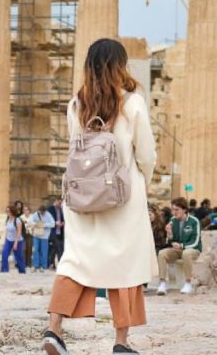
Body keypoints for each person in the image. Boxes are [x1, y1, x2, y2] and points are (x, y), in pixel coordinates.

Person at [44, 39, 157, 355]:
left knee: (75, 263)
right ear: (120, 66)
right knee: (126, 267)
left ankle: (54, 330)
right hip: (122, 196)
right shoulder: (132, 104)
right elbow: (146, 154)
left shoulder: (75, 106)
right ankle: (121, 341)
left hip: (81, 198)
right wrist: (141, 182)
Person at [156, 197, 202, 296]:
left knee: (186, 253)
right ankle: (162, 283)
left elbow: (196, 241)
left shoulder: (194, 221)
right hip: (177, 250)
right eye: (173, 209)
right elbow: (170, 241)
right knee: (161, 253)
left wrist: (181, 245)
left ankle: (188, 283)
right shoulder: (173, 220)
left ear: (184, 209)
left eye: (177, 210)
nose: (174, 212)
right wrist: (169, 234)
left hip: (192, 250)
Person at [28, 204, 56, 273]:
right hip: (36, 235)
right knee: (35, 250)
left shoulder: (48, 215)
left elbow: (53, 224)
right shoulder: (36, 214)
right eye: (40, 212)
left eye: (42, 212)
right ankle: (35, 265)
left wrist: (44, 225)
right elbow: (30, 221)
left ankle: (42, 266)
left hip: (45, 236)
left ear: (45, 211)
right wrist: (35, 224)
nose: (41, 213)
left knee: (43, 251)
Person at [1, 203, 26, 274]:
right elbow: (7, 231)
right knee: (4, 253)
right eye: (6, 211)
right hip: (8, 240)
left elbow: (19, 232)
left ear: (12, 211)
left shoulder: (17, 220)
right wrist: (5, 240)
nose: (7, 212)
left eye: (8, 211)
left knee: (19, 256)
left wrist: (16, 242)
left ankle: (22, 270)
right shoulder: (8, 220)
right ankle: (4, 269)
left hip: (17, 240)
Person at [48, 198, 65, 268]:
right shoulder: (50, 209)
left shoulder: (61, 209)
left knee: (59, 249)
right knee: (54, 249)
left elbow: (63, 218)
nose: (60, 204)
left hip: (60, 232)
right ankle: (52, 264)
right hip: (53, 232)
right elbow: (47, 220)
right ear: (56, 201)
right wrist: (55, 223)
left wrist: (63, 223)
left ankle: (57, 264)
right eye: (59, 203)